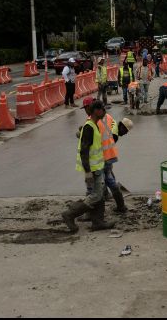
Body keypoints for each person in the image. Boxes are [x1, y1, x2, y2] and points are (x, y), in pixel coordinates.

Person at [61, 100, 116, 233]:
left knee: (100, 195)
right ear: (96, 111)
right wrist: (88, 172)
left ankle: (98, 221)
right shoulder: (89, 127)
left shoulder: (95, 125)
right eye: (102, 109)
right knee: (96, 196)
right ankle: (70, 214)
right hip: (92, 169)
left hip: (98, 167)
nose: (104, 111)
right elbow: (84, 150)